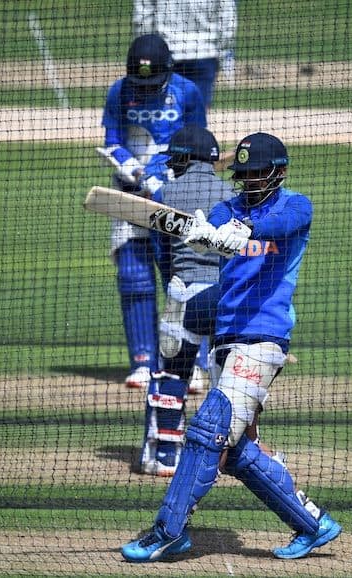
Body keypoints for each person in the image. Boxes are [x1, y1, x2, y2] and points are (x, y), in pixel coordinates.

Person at [121, 133, 342, 562]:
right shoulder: (228, 208)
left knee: (207, 430)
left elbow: (277, 227)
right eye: (244, 175)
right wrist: (207, 232)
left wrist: (240, 233)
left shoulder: (297, 206)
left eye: (260, 172)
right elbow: (216, 224)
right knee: (234, 451)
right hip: (226, 339)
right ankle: (313, 525)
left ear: (279, 172)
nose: (252, 180)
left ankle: (168, 530)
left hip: (264, 337)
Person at [99, 33, 207, 389]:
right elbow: (113, 141)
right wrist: (133, 170)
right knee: (133, 274)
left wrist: (165, 177)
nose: (146, 89)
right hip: (130, 195)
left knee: (183, 278)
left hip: (177, 196)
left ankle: (189, 364)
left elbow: (198, 142)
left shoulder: (188, 92)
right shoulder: (118, 91)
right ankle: (143, 362)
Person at [140, 124, 234, 477]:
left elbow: (160, 253)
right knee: (227, 379)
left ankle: (166, 454)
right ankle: (226, 454)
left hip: (182, 293)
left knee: (172, 373)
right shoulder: (230, 194)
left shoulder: (166, 193)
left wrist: (174, 283)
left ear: (181, 159)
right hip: (224, 298)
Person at [133, 1, 237, 110]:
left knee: (167, 113)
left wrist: (147, 49)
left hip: (167, 54)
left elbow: (143, 17)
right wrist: (221, 52)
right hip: (205, 53)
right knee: (197, 115)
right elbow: (228, 20)